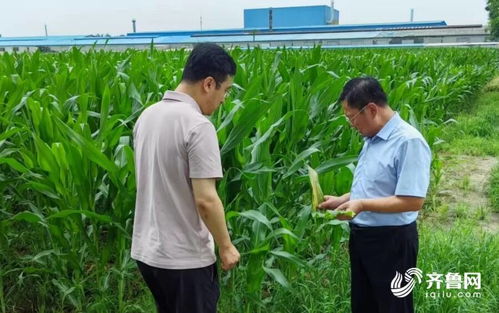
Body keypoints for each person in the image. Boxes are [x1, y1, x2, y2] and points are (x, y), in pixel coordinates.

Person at [131, 43, 240, 313]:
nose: (224, 99)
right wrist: (226, 247)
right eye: (225, 90)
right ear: (208, 84)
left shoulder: (147, 116)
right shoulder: (197, 126)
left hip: (148, 254)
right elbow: (205, 200)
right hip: (184, 260)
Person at [319, 77, 431, 313]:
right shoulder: (372, 138)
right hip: (363, 238)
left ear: (371, 109)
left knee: (393, 306)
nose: (351, 124)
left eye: (351, 117)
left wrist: (361, 204)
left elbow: (412, 200)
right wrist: (343, 199)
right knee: (364, 305)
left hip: (392, 242)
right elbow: (376, 184)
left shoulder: (408, 142)